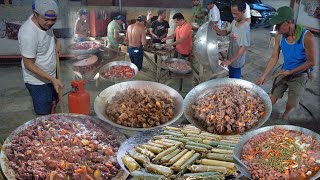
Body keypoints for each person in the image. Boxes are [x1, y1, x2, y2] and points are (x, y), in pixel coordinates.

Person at [256, 6, 316, 119]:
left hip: (300, 74)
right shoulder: (280, 35)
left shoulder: (307, 37)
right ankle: (262, 114)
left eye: (279, 25)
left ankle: (286, 113)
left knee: (292, 102)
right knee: (274, 93)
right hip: (284, 70)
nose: (277, 29)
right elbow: (274, 56)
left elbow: (311, 62)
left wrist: (291, 71)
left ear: (289, 23)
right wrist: (264, 75)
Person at [18, 0, 64, 116]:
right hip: (38, 82)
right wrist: (52, 79)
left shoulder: (45, 24)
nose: (49, 23)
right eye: (46, 19)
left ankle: (54, 123)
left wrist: (57, 42)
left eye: (53, 19)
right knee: (43, 113)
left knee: (54, 102)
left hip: (51, 75)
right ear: (35, 14)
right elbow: (29, 64)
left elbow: (51, 36)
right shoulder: (28, 33)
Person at [213, 0, 250, 79]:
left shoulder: (245, 27)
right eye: (232, 13)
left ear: (243, 11)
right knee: (231, 76)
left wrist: (230, 60)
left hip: (237, 60)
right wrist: (217, 29)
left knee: (235, 80)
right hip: (230, 56)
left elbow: (243, 48)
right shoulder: (234, 22)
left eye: (236, 13)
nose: (233, 16)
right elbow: (226, 32)